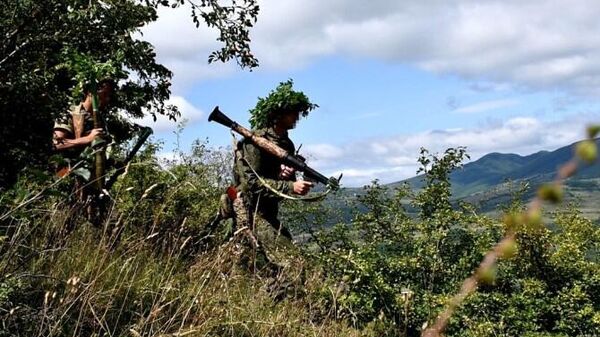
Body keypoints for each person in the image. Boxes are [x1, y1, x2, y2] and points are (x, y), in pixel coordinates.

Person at [232, 80, 316, 282]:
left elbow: (279, 180)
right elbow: (251, 183)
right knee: (288, 261)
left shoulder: (286, 143)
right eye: (292, 112)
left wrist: (291, 179)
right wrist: (289, 186)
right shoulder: (256, 141)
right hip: (250, 209)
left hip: (268, 210)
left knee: (257, 264)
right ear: (278, 115)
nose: (296, 117)